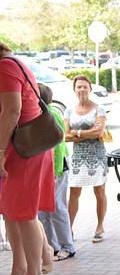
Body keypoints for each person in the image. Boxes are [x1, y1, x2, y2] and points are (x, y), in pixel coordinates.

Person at [0, 42, 54, 275]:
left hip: (24, 150)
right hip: (22, 148)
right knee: (11, 211)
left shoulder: (5, 68)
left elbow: (12, 111)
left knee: (23, 213)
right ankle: (20, 270)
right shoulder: (13, 64)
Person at [63, 75, 108, 243]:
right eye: (78, 87)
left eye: (85, 87)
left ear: (90, 89)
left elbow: (99, 133)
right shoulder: (69, 111)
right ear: (74, 90)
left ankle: (100, 226)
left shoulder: (99, 109)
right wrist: (87, 134)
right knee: (74, 192)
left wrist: (78, 132)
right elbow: (65, 136)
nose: (82, 89)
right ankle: (68, 229)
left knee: (99, 191)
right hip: (78, 157)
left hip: (96, 156)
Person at [37, 83, 76, 262]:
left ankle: (67, 246)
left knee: (57, 207)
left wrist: (56, 170)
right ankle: (52, 246)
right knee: (43, 208)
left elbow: (59, 144)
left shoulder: (51, 114)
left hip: (57, 167)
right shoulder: (44, 114)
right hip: (47, 167)